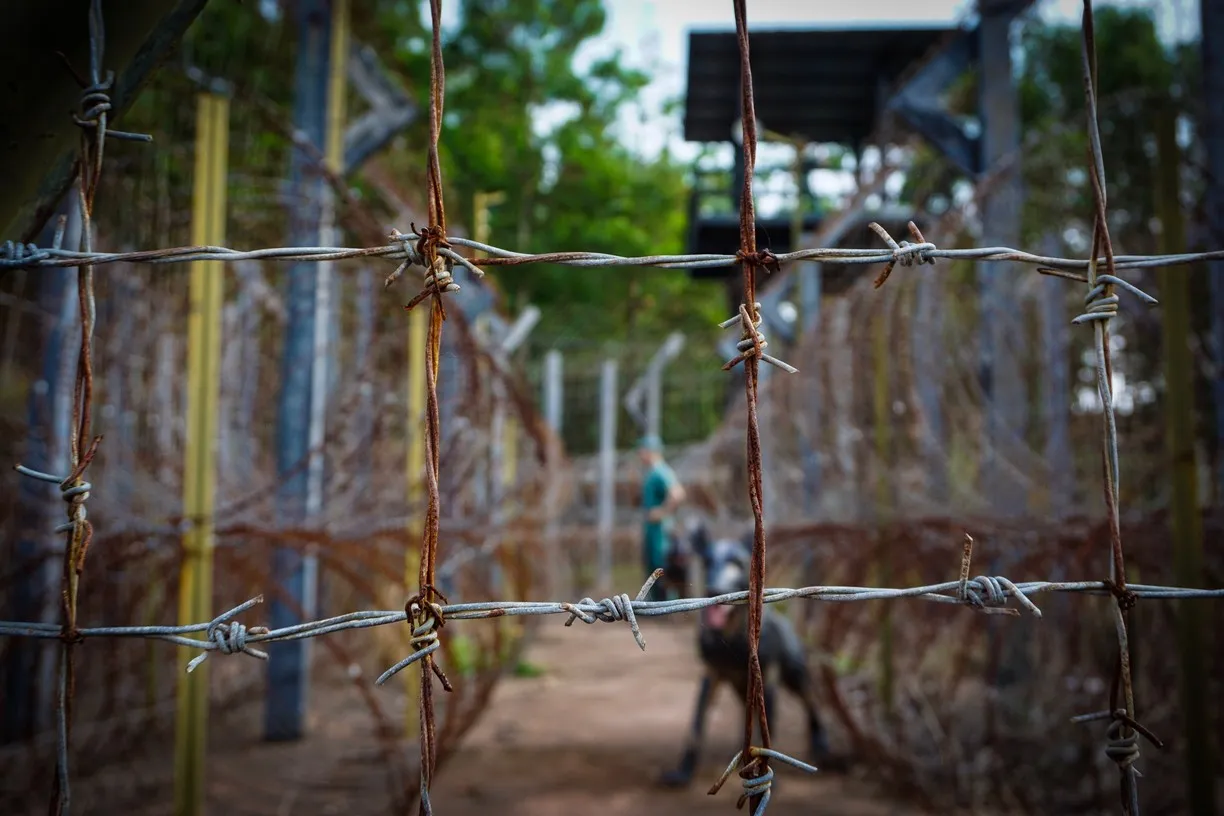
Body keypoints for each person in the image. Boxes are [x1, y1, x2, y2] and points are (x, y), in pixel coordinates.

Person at [638, 434, 686, 602]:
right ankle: (655, 605)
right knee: (651, 568)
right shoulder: (651, 473)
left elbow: (677, 493)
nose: (640, 454)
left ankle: (667, 607)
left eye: (643, 450)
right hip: (652, 531)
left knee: (661, 569)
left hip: (660, 531)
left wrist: (661, 512)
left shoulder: (661, 472)